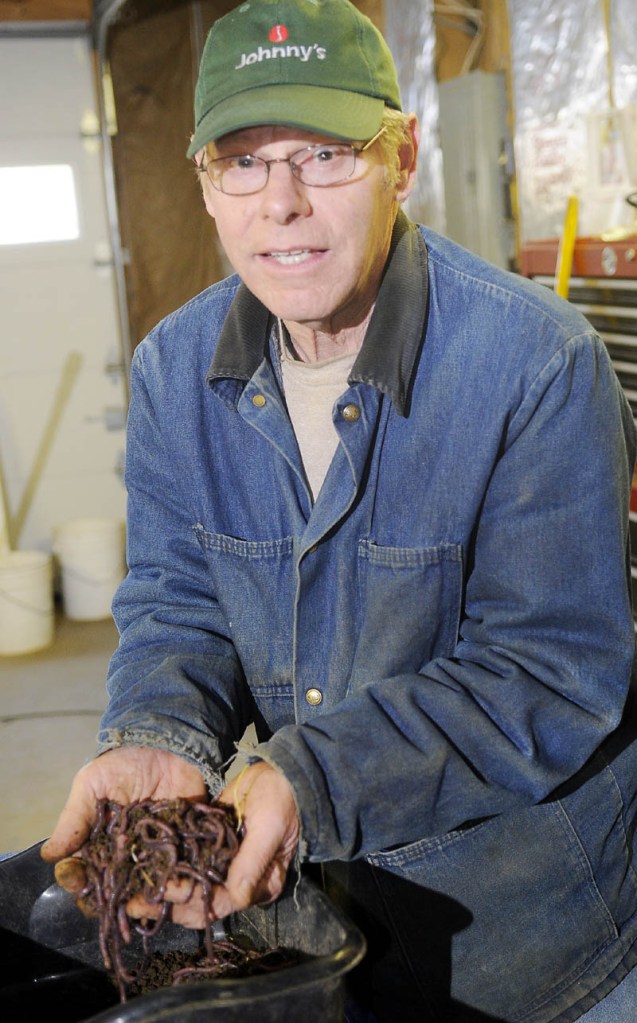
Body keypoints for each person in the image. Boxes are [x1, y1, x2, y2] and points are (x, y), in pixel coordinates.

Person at [41, 1, 637, 1020]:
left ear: (400, 161)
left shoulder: (533, 364)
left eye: (323, 154)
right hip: (325, 927)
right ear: (205, 185)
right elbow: (179, 599)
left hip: (530, 936)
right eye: (243, 160)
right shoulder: (175, 371)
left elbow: (551, 671)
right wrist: (160, 735)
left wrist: (308, 778)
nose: (281, 202)